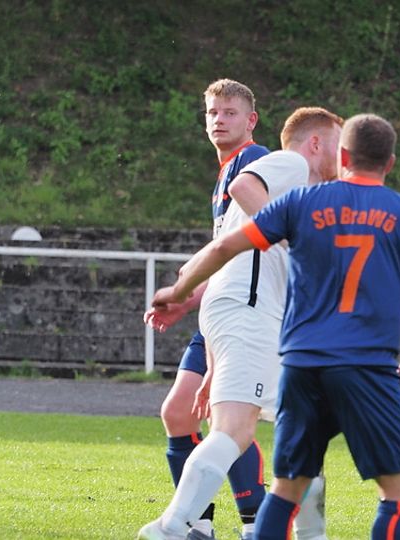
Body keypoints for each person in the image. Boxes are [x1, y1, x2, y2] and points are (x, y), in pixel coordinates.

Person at [147, 113, 400, 540]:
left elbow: (223, 247)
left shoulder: (301, 204)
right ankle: (173, 526)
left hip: (301, 360)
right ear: (390, 162)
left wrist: (179, 288)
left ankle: (308, 534)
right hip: (365, 363)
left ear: (344, 156)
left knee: (287, 484)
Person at [139, 104, 344, 540]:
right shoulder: (290, 164)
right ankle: (172, 527)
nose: (343, 156)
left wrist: (188, 301)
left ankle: (295, 533)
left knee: (303, 431)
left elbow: (225, 249)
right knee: (235, 429)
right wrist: (295, 239)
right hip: (248, 313)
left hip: (246, 315)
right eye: (338, 145)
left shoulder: (306, 196)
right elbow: (243, 186)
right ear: (315, 143)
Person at [144, 78, 270, 540]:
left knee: (228, 422)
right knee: (179, 412)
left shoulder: (253, 163)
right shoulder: (226, 174)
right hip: (217, 310)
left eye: (230, 112)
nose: (219, 120)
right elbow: (230, 255)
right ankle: (198, 524)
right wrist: (188, 299)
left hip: (246, 315)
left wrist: (184, 291)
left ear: (251, 120)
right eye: (213, 112)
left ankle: (256, 522)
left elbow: (265, 244)